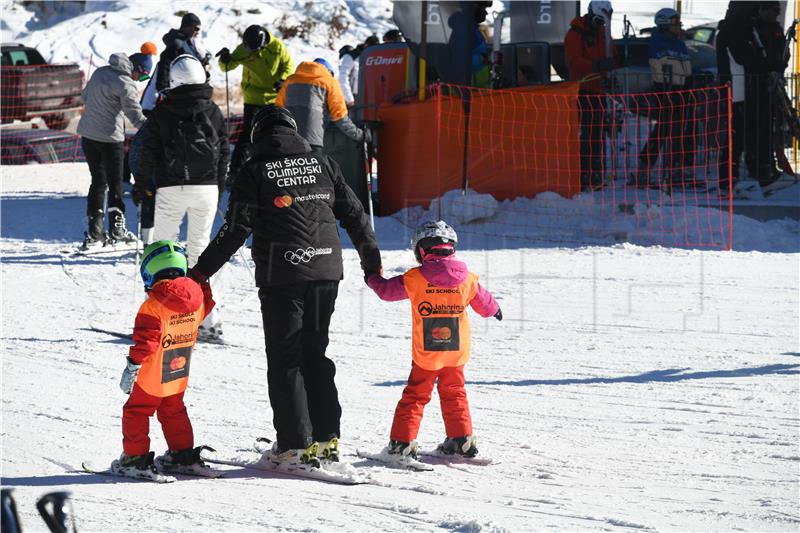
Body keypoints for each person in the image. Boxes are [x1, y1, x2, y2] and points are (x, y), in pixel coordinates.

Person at [189, 105, 382, 468]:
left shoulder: (254, 171)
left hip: (284, 275)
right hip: (327, 270)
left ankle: (293, 447)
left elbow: (235, 231)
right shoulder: (322, 163)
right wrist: (372, 265)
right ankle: (326, 441)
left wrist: (199, 273)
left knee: (286, 360)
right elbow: (356, 215)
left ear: (256, 136)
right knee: (315, 353)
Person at [366, 220, 501, 459]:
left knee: (416, 394)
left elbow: (386, 292)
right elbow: (484, 301)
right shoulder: (467, 279)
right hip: (456, 350)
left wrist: (372, 276)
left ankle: (402, 443)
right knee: (454, 391)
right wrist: (494, 310)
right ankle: (461, 439)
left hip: (427, 351)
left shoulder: (415, 278)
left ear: (421, 251)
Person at [136, 55, 230, 342]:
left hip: (171, 188)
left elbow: (147, 151)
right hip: (206, 189)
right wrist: (218, 184)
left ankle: (168, 317)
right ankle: (208, 321)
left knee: (165, 251)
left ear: (174, 80)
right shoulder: (213, 110)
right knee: (201, 255)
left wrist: (143, 185)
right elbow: (225, 150)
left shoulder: (164, 112)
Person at [115, 240, 215, 476]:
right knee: (173, 410)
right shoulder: (197, 300)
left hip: (151, 376)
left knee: (136, 411)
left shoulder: (152, 306)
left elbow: (146, 342)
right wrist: (200, 283)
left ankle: (135, 459)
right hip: (177, 373)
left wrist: (132, 366)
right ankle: (181, 454)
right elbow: (207, 303)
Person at [76, 52, 151, 251]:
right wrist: (152, 128)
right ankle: (117, 230)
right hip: (110, 140)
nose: (140, 80)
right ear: (134, 69)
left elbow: (84, 97)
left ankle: (94, 233)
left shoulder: (100, 72)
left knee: (98, 183)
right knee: (115, 184)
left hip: (88, 137)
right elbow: (134, 114)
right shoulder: (126, 84)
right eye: (142, 75)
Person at [717, 1, 786, 195]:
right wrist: (766, 69)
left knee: (749, 134)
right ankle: (728, 182)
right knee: (736, 137)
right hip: (738, 91)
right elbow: (745, 59)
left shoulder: (743, 29)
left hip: (747, 90)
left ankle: (758, 177)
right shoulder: (735, 30)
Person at [217, 24, 294, 180]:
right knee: (247, 135)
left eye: (255, 49)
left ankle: (274, 170)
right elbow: (227, 66)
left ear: (263, 43)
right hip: (252, 98)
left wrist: (283, 79)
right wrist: (224, 59)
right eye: (249, 48)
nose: (251, 52)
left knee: (275, 134)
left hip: (273, 97)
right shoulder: (244, 48)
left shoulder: (277, 46)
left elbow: (288, 65)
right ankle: (235, 172)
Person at [632, 8, 692, 189]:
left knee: (683, 129)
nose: (679, 25)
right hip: (665, 90)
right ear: (665, 23)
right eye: (675, 22)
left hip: (681, 90)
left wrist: (688, 83)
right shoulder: (658, 41)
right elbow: (661, 67)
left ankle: (677, 169)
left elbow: (686, 69)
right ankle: (645, 170)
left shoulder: (679, 44)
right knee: (663, 130)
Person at [565, 0, 619, 190]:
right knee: (585, 133)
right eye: (598, 21)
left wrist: (616, 61)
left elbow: (611, 54)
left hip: (599, 90)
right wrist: (596, 66)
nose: (600, 25)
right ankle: (583, 174)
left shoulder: (603, 34)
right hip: (582, 90)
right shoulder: (575, 34)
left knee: (598, 133)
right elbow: (574, 61)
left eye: (603, 22)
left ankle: (597, 173)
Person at [276, 58, 368, 151]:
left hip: (287, 138)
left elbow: (278, 111)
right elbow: (340, 117)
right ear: (329, 71)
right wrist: (360, 135)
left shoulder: (289, 80)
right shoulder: (330, 82)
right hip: (312, 142)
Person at [155, 13, 211, 93]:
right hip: (179, 89)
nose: (197, 31)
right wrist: (164, 89)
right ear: (187, 26)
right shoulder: (176, 43)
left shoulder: (188, 41)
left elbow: (192, 61)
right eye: (196, 28)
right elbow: (164, 65)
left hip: (191, 87)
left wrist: (203, 62)